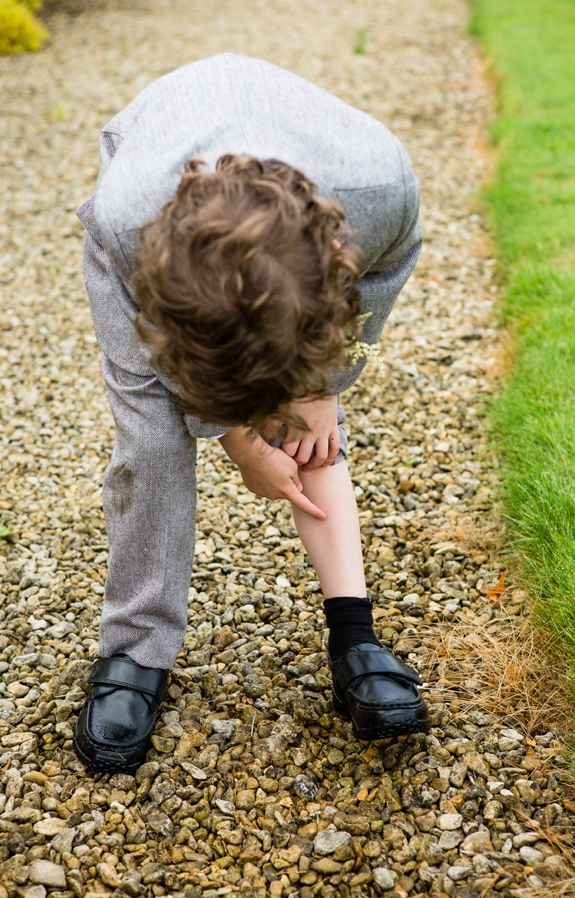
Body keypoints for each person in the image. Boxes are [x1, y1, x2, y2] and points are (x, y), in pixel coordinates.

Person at [73, 53, 430, 773]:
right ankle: (136, 647)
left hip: (323, 203)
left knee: (311, 427)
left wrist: (323, 386)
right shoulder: (125, 224)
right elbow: (163, 372)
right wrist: (239, 438)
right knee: (151, 442)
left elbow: (389, 270)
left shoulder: (380, 190)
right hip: (154, 200)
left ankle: (354, 634)